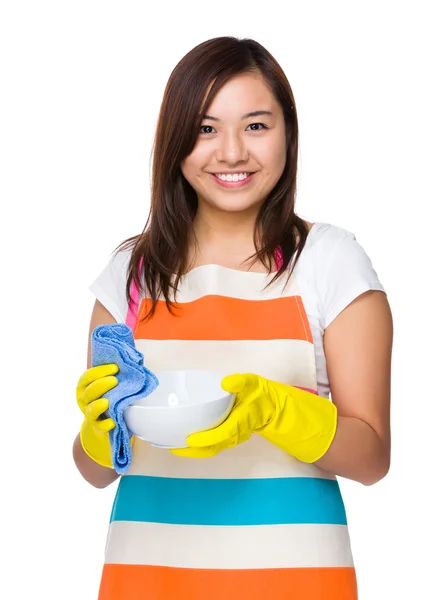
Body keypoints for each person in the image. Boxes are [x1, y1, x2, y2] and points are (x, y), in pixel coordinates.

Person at [73, 36, 393, 600]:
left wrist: (277, 410)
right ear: (174, 142)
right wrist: (100, 433)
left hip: (295, 578)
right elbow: (95, 470)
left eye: (255, 126)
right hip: (148, 576)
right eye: (205, 128)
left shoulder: (329, 261)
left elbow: (371, 458)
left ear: (287, 135)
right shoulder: (131, 272)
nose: (230, 154)